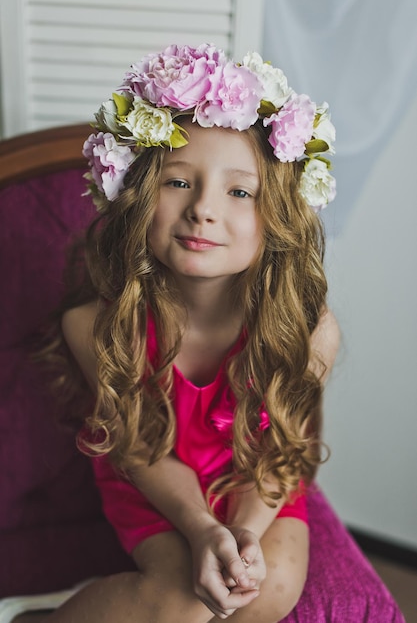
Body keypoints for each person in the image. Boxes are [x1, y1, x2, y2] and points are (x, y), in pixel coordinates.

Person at [44, 43, 340, 622]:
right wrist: (202, 528)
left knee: (268, 588)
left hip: (256, 474)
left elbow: (280, 451)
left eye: (239, 191)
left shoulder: (307, 331)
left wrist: (244, 533)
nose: (204, 208)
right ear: (136, 193)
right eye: (178, 182)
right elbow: (139, 451)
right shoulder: (94, 327)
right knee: (184, 604)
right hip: (151, 480)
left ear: (277, 214)